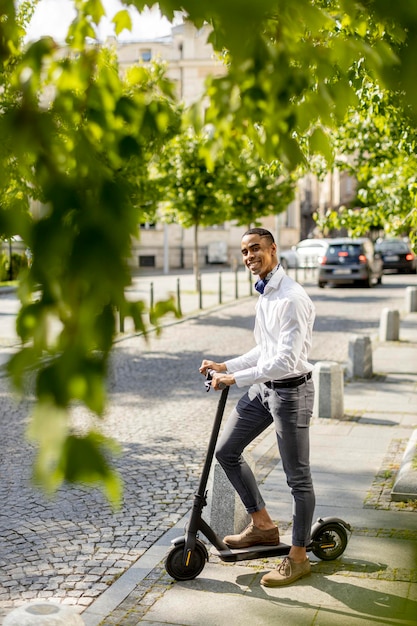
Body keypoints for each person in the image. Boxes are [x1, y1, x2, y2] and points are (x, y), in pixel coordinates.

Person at [199, 227, 316, 587]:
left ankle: (298, 557)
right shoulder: (266, 293)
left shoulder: (292, 298)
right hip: (265, 390)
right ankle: (263, 525)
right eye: (245, 252)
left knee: (297, 477)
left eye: (255, 249)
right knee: (227, 450)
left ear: (273, 249)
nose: (249, 256)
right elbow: (263, 350)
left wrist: (235, 380)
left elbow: (285, 360)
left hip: (290, 393)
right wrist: (226, 366)